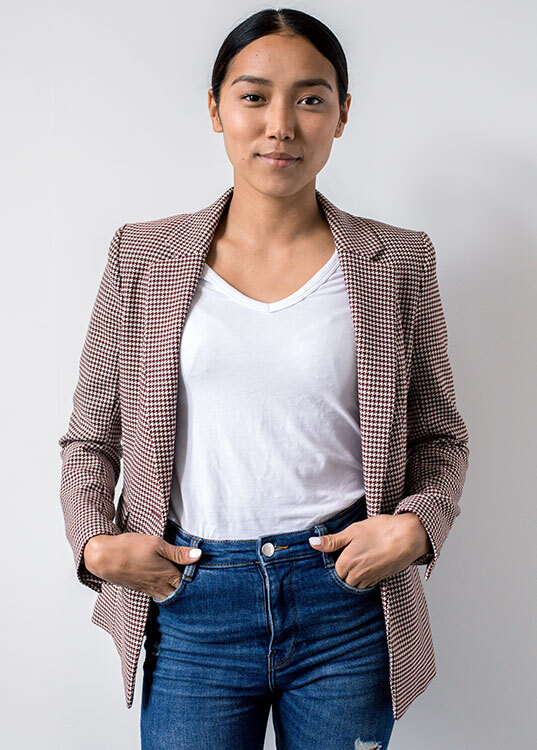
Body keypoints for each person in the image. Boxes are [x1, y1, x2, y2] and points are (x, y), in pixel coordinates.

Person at [58, 8, 469, 749]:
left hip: (345, 600)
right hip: (190, 600)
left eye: (310, 98)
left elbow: (438, 437)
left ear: (342, 114)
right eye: (253, 96)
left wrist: (417, 526)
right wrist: (92, 543)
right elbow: (91, 438)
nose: (280, 125)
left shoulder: (398, 260)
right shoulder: (143, 256)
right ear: (216, 109)